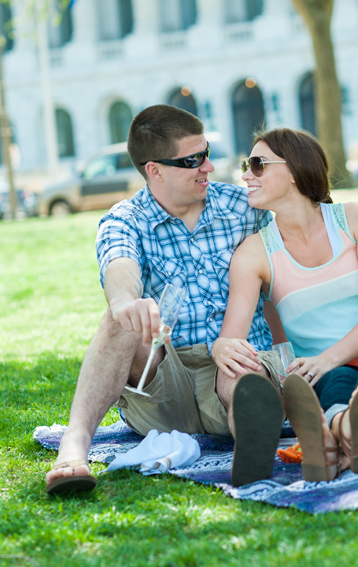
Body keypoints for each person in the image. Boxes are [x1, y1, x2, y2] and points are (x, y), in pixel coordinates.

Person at [44, 105, 287, 494]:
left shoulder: (245, 208)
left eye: (205, 153)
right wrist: (125, 302)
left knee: (240, 370)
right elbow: (119, 268)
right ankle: (74, 448)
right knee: (118, 318)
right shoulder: (124, 219)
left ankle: (252, 452)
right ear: (154, 169)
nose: (207, 166)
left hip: (235, 368)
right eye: (192, 160)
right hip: (162, 385)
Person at [213, 128, 358, 482]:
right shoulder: (253, 254)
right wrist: (222, 346)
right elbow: (233, 335)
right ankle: (340, 427)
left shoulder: (357, 219)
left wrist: (325, 359)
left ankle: (328, 441)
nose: (246, 174)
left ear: (293, 171)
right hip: (329, 372)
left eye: (257, 164)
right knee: (354, 410)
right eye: (247, 165)